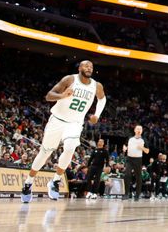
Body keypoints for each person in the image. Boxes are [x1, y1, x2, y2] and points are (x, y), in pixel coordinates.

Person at [21, 60, 105, 203]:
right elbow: (49, 96)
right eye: (86, 65)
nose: (89, 68)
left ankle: (55, 181)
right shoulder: (69, 79)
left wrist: (96, 114)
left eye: (91, 66)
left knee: (70, 147)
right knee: (45, 153)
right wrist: (62, 96)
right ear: (79, 68)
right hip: (57, 120)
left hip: (75, 123)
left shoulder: (96, 85)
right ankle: (28, 182)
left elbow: (102, 99)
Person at [124, 125, 150, 200]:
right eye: (137, 129)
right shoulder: (130, 138)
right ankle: (126, 194)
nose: (139, 130)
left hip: (138, 159)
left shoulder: (144, 139)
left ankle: (137, 195)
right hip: (129, 159)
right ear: (135, 130)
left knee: (138, 177)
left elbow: (147, 151)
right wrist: (124, 148)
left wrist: (142, 147)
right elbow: (125, 146)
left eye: (140, 129)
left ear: (141, 131)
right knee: (127, 175)